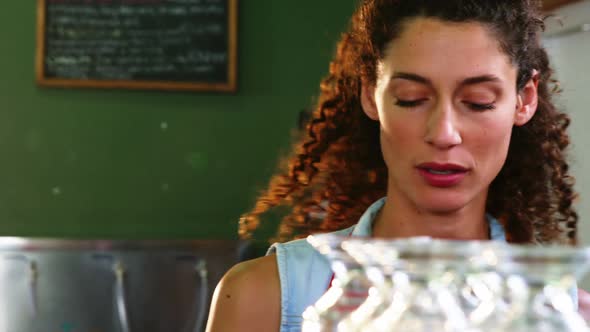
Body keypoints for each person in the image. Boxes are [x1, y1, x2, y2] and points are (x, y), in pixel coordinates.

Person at [206, 0, 590, 331]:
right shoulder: (262, 299)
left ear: (524, 99)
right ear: (370, 94)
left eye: (477, 101)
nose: (443, 133)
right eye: (411, 98)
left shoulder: (568, 315)